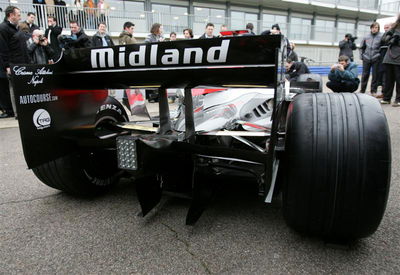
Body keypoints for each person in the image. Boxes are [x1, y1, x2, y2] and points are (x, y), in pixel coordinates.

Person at [0, 6, 21, 118]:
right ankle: (16, 112)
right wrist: (7, 66)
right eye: (18, 15)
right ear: (11, 15)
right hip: (12, 65)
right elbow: (3, 49)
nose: (20, 17)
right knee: (13, 89)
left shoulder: (16, 28)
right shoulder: (3, 28)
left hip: (20, 63)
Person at [380, 15, 400, 107]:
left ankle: (398, 100)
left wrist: (397, 40)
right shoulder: (394, 26)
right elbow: (383, 39)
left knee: (399, 80)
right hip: (389, 57)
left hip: (399, 58)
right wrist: (389, 37)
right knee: (388, 79)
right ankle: (387, 98)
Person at [359, 22, 383, 96]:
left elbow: (382, 48)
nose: (374, 29)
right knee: (365, 75)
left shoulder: (381, 36)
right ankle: (362, 90)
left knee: (375, 75)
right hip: (366, 58)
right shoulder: (366, 36)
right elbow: (361, 47)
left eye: (376, 28)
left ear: (378, 29)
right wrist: (362, 56)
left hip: (376, 58)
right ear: (371, 28)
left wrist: (379, 55)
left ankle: (373, 91)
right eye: (373, 27)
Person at [376, 22, 393, 98]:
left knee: (387, 76)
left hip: (389, 57)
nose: (386, 29)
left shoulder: (392, 35)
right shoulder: (383, 35)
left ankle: (386, 94)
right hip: (382, 57)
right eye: (385, 27)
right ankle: (383, 92)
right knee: (381, 75)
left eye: (387, 27)